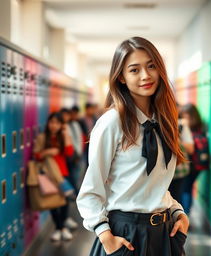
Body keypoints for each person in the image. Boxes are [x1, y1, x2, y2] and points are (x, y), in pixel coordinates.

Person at [76, 37, 189, 256]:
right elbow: (90, 191)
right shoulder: (112, 122)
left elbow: (155, 184)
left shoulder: (164, 121)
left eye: (151, 66)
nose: (146, 76)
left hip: (165, 234)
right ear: (121, 77)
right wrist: (105, 235)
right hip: (125, 235)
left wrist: (178, 212)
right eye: (134, 70)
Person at [33, 112, 74, 241]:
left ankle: (61, 228)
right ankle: (59, 228)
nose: (54, 125)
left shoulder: (63, 137)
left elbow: (69, 152)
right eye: (52, 122)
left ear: (61, 125)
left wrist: (65, 133)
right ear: (48, 123)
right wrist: (47, 152)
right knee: (52, 202)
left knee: (65, 201)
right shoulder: (42, 137)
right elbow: (36, 156)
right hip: (49, 175)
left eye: (57, 123)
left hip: (63, 174)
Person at [180, 103, 209, 214]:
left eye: (186, 116)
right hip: (196, 165)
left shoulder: (189, 129)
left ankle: (185, 214)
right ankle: (186, 213)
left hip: (192, 165)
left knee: (186, 189)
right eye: (183, 116)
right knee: (187, 188)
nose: (185, 119)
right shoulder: (198, 128)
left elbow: (190, 149)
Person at [168, 105, 194, 203]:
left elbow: (191, 149)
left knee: (176, 199)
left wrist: (175, 140)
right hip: (159, 172)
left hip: (178, 171)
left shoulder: (181, 125)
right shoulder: (153, 123)